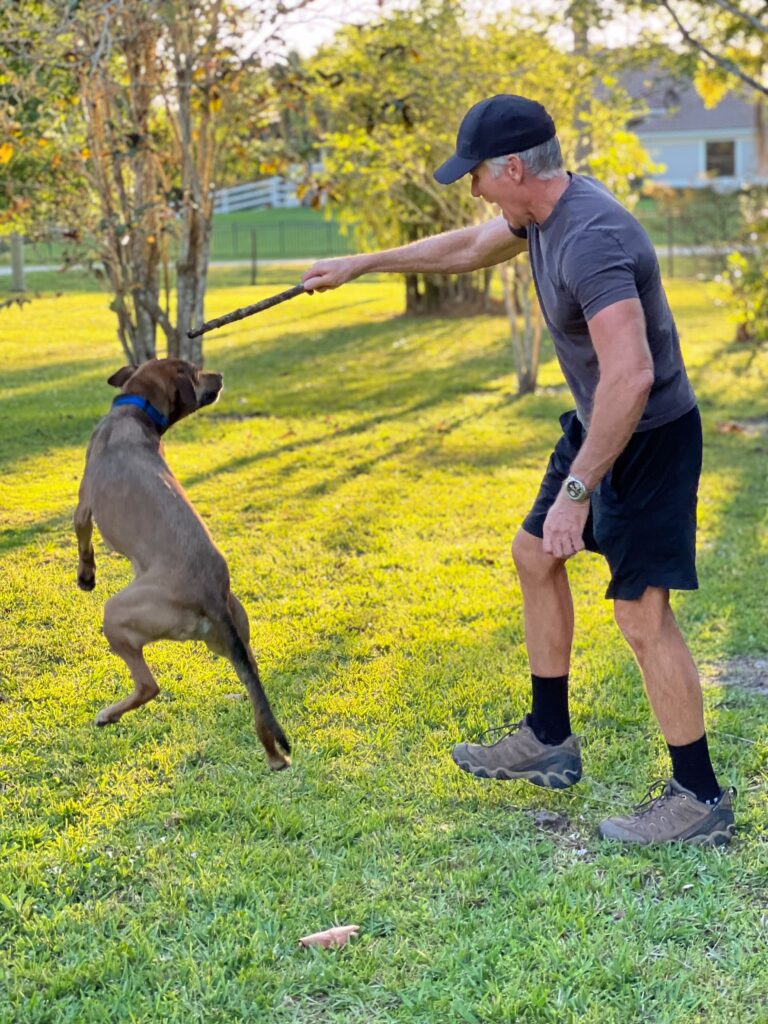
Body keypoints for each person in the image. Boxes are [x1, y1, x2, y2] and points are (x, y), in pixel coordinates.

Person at [300, 94, 735, 846]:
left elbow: (630, 376)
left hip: (649, 435)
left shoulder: (590, 239)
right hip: (603, 422)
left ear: (510, 167)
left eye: (475, 174)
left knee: (640, 614)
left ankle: (698, 799)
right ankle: (548, 739)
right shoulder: (539, 215)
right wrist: (361, 264)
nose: (472, 189)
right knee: (534, 553)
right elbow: (471, 247)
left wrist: (577, 492)